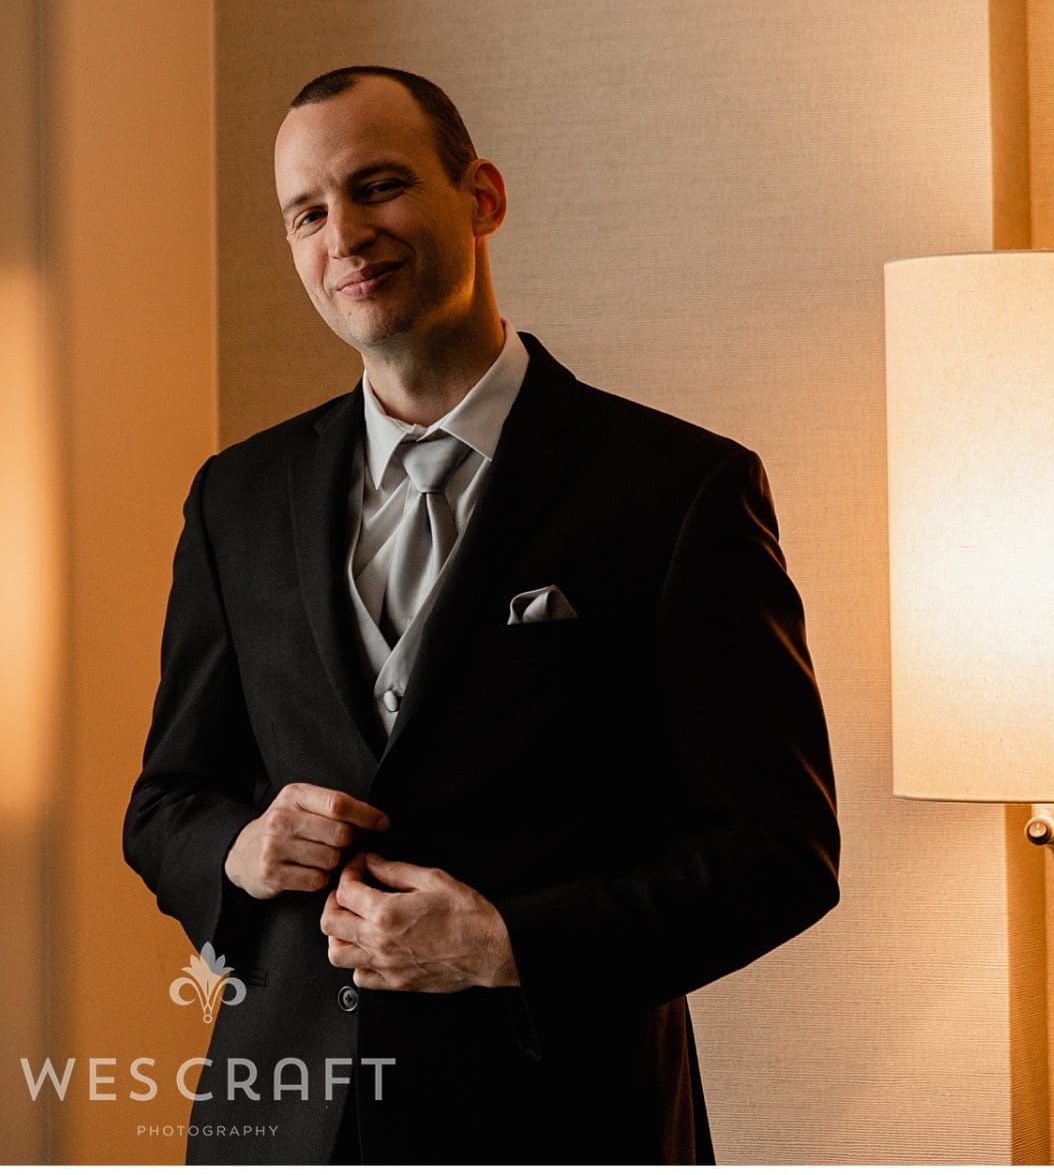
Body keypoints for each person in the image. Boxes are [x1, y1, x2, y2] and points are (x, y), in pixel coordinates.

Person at [122, 65, 840, 1165]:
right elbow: (165, 801)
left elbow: (781, 853)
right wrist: (244, 849)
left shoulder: (677, 487)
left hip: (568, 1122)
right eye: (309, 212)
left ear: (482, 196)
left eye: (379, 186)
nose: (346, 235)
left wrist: (510, 943)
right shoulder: (238, 496)